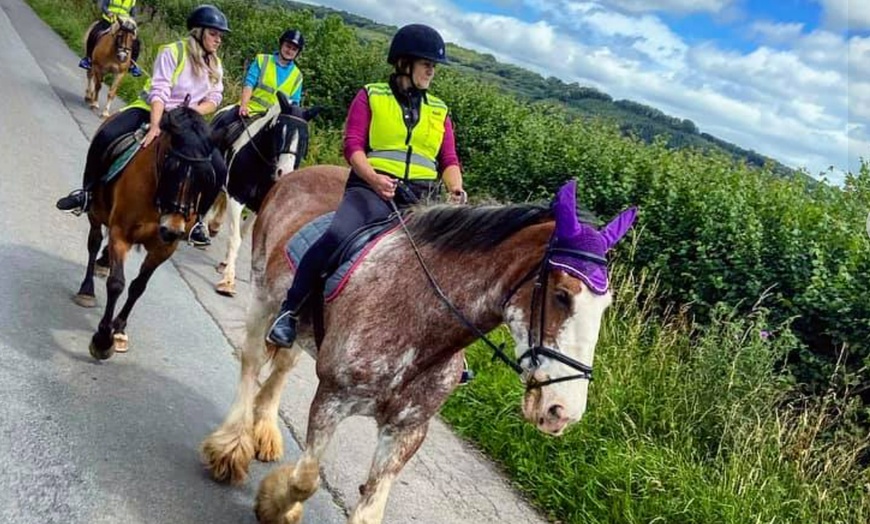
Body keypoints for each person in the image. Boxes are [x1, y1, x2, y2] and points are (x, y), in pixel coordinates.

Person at [266, 24, 470, 381]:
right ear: (404, 63)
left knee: (449, 266)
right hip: (370, 192)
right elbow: (353, 145)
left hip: (419, 202)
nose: (431, 71)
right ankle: (290, 310)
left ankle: (454, 356)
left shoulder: (439, 110)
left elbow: (448, 159)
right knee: (335, 236)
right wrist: (373, 178)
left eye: (433, 66)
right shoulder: (372, 96)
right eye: (426, 64)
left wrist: (455, 190)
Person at [57, 4, 230, 246]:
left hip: (188, 121)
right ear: (199, 32)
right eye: (214, 34)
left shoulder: (215, 64)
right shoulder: (172, 52)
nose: (218, 40)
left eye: (220, 35)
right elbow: (159, 91)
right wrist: (156, 124)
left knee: (219, 168)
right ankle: (86, 193)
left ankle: (197, 221)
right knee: (107, 134)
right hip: (152, 109)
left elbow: (215, 97)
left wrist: (190, 112)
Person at [211, 28, 305, 136]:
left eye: (294, 49)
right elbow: (249, 83)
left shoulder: (298, 76)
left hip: (275, 120)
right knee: (222, 126)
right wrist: (244, 105)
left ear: (297, 52)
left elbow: (294, 103)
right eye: (288, 46)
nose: (289, 51)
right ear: (281, 44)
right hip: (251, 110)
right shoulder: (262, 60)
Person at [80, 0, 143, 77]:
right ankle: (88, 58)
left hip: (123, 24)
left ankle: (132, 65)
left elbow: (133, 14)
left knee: (136, 42)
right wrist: (108, 12)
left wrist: (131, 20)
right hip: (108, 20)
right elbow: (103, 6)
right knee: (94, 32)